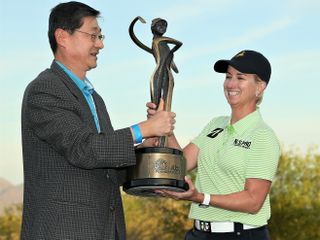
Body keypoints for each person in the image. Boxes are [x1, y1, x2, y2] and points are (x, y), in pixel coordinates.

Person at [20, 2, 175, 240]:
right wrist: (142, 129)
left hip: (105, 230)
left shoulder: (95, 98)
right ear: (62, 36)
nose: (100, 44)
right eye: (93, 35)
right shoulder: (45, 90)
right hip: (63, 232)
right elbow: (83, 148)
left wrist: (144, 150)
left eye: (100, 36)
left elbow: (105, 167)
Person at [147, 50, 280, 240]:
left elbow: (253, 201)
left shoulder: (262, 136)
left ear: (260, 87)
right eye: (228, 77)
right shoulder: (216, 124)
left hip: (240, 235)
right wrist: (163, 125)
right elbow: (181, 164)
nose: (231, 84)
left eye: (240, 78)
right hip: (198, 234)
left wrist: (200, 198)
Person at [129, 16, 182, 147]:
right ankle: (156, 139)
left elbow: (173, 66)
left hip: (168, 75)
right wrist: (171, 52)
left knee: (165, 106)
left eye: (165, 25)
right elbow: (179, 43)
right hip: (159, 74)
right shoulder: (159, 40)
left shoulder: (162, 44)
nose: (163, 28)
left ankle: (162, 141)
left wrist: (170, 56)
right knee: (157, 105)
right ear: (153, 28)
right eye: (160, 25)